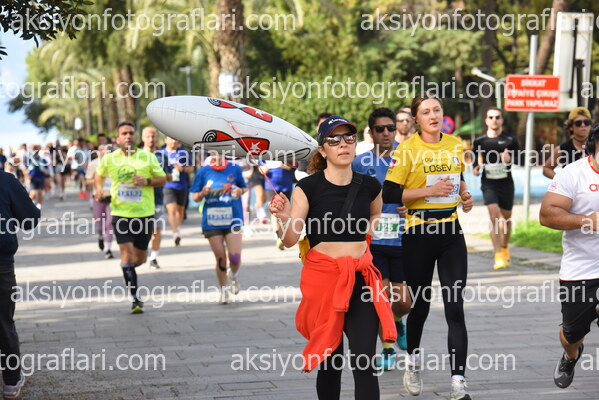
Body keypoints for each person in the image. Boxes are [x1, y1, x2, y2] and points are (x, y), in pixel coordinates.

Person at [269, 115, 396, 400]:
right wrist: (283, 217)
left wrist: (366, 237)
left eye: (349, 138)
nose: (343, 144)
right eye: (334, 139)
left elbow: (376, 211)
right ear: (322, 150)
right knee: (330, 362)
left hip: (360, 280)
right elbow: (290, 240)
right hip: (323, 282)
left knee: (364, 363)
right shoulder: (308, 188)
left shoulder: (370, 185)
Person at [383, 94, 474, 400]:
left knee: (455, 308)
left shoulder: (455, 144)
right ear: (416, 120)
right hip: (418, 233)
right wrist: (429, 190)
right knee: (420, 306)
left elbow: (459, 179)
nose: (433, 115)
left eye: (436, 110)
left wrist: (465, 196)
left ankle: (458, 382)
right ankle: (413, 362)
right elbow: (390, 193)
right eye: (425, 112)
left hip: (450, 232)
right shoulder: (406, 149)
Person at [539, 123, 599, 389]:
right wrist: (587, 221)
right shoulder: (573, 174)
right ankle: (571, 355)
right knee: (571, 334)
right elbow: (546, 215)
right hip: (581, 270)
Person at [352, 108, 410, 371]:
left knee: (403, 302)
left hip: (404, 239)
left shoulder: (408, 157)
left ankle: (397, 321)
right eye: (380, 129)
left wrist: (412, 205)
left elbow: (422, 191)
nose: (386, 133)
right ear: (371, 132)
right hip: (374, 242)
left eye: (390, 128)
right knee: (381, 298)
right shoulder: (359, 163)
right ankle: (387, 348)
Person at [95, 122, 166, 313]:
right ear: (118, 139)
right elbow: (99, 175)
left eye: (131, 133)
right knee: (127, 255)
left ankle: (127, 267)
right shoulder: (109, 159)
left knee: (139, 259)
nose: (128, 136)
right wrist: (99, 189)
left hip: (144, 214)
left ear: (136, 136)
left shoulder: (148, 157)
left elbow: (163, 179)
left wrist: (147, 181)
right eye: (124, 133)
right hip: (120, 214)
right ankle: (135, 299)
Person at [0, 170, 41, 399]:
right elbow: (29, 219)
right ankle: (11, 381)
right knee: (3, 321)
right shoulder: (5, 180)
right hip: (1, 263)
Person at [190, 151, 247, 304]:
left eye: (221, 152)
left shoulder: (234, 168)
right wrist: (202, 193)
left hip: (233, 218)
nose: (219, 155)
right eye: (215, 152)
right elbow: (195, 197)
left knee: (235, 258)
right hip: (212, 221)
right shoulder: (203, 171)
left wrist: (239, 191)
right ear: (210, 153)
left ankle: (233, 276)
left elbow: (244, 188)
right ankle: (223, 291)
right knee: (221, 258)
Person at [473, 107, 519, 270]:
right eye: (491, 117)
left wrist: (508, 158)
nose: (494, 120)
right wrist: (476, 168)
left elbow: (519, 158)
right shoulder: (480, 141)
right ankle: (498, 254)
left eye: (497, 117)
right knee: (494, 216)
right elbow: (476, 161)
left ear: (502, 120)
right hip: (489, 184)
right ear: (486, 120)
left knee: (506, 219)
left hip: (506, 184)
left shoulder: (510, 140)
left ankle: (505, 247)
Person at [159, 137, 193, 246]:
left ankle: (177, 228)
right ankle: (175, 233)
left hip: (181, 185)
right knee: (171, 210)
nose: (173, 141)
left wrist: (182, 169)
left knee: (180, 211)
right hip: (167, 185)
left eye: (175, 139)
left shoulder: (183, 152)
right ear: (165, 140)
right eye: (171, 139)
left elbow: (191, 168)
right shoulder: (160, 153)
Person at [142, 127, 167, 270]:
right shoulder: (137, 156)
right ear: (142, 138)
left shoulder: (162, 157)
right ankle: (142, 251)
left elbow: (168, 177)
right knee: (142, 231)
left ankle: (153, 258)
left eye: (153, 136)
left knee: (156, 230)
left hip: (157, 199)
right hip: (139, 201)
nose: (151, 139)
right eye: (148, 136)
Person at [543, 107, 592, 179]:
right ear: (571, 127)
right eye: (578, 123)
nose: (583, 125)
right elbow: (546, 169)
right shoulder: (562, 149)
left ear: (590, 125)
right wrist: (561, 180)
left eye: (586, 122)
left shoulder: (596, 146)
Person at [85, 142, 115, 259]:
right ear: (98, 152)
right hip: (98, 197)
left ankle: (108, 248)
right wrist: (99, 180)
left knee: (110, 223)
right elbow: (88, 180)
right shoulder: (93, 164)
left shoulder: (114, 163)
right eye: (102, 149)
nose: (104, 152)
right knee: (100, 224)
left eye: (107, 150)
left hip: (112, 197)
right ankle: (100, 236)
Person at [263, 161, 295, 250]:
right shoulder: (265, 155)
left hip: (286, 185)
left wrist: (280, 165)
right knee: (274, 210)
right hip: (270, 186)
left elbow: (290, 166)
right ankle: (278, 236)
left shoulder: (285, 154)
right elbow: (262, 169)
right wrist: (269, 166)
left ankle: (284, 234)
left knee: (284, 211)